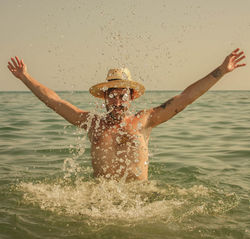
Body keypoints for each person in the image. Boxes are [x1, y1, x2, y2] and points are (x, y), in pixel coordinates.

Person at [7, 48, 246, 181]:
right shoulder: (92, 123)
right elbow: (55, 102)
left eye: (123, 95)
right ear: (104, 97)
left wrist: (221, 71)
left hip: (138, 200)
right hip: (100, 200)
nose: (118, 100)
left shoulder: (145, 120)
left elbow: (184, 98)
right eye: (113, 95)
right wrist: (25, 77)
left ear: (131, 97)